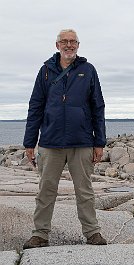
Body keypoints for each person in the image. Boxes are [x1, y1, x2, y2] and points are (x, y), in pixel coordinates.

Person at [23, 29, 107, 249]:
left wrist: (100, 142)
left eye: (73, 42)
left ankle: (92, 232)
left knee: (85, 191)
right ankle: (40, 234)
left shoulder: (88, 70)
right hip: (51, 141)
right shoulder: (46, 71)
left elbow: (98, 106)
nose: (69, 45)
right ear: (57, 45)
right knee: (45, 190)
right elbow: (35, 107)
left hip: (82, 141)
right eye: (65, 42)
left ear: (78, 45)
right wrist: (29, 142)